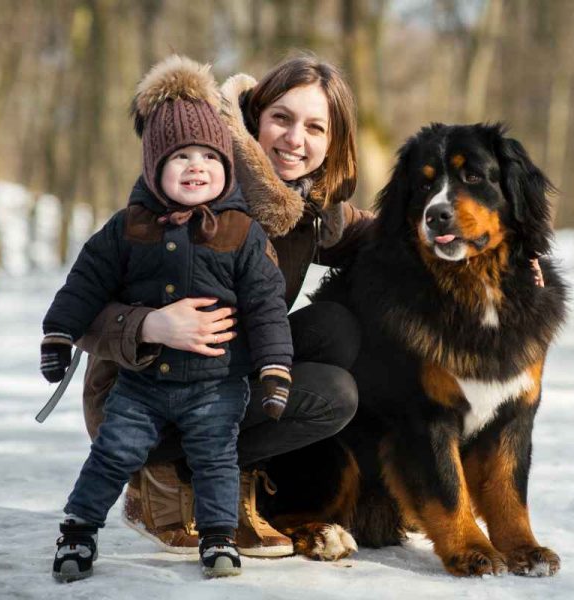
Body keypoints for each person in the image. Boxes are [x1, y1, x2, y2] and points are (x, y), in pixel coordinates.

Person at [75, 53, 372, 560]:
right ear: (255, 118)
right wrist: (151, 324)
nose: (295, 139)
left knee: (335, 329)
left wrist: (515, 245)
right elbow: (82, 312)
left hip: (219, 377)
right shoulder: (194, 185)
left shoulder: (306, 207)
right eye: (282, 118)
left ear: (333, 140)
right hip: (140, 392)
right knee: (332, 394)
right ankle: (161, 478)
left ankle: (221, 475)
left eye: (315, 127)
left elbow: (384, 231)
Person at [43, 56, 296, 581]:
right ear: (155, 166)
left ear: (226, 163)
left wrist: (275, 368)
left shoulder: (242, 233)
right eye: (181, 156)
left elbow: (267, 305)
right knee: (113, 452)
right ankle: (78, 531)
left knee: (216, 458)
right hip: (142, 384)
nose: (197, 165)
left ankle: (219, 535)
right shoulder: (129, 227)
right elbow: (85, 281)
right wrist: (58, 333)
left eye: (208, 154)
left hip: (217, 384)